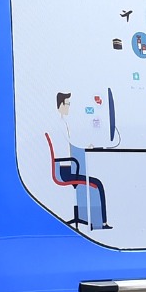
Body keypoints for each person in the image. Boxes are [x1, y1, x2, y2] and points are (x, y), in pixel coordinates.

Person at [55, 92, 109, 228]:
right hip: (64, 171)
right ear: (61, 105)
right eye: (67, 104)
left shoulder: (61, 123)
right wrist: (86, 146)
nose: (68, 107)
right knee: (97, 184)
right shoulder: (60, 124)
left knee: (94, 182)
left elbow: (71, 143)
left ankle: (95, 220)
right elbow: (70, 144)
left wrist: (85, 145)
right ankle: (100, 223)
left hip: (66, 167)